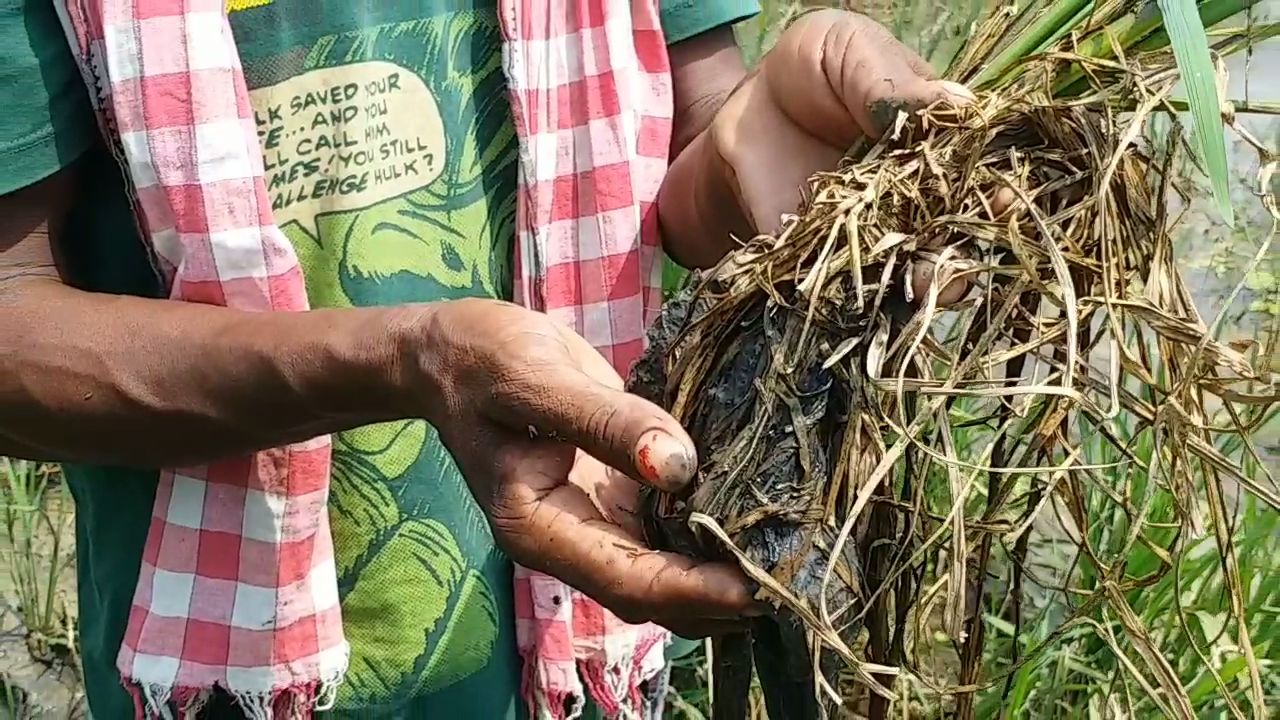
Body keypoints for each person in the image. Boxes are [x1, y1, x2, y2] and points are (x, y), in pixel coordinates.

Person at [0, 0, 974, 717]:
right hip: (231, 674)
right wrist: (408, 362)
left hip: (585, 645)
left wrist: (762, 132)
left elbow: (699, 151)